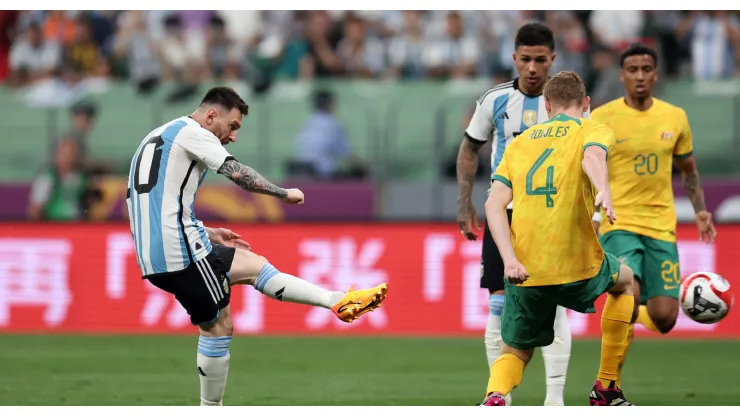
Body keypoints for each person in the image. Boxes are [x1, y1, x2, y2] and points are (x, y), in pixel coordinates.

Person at [126, 86, 388, 406]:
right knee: (218, 326)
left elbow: (153, 206)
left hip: (161, 249)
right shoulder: (195, 133)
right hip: (179, 253)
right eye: (232, 126)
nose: (233, 136)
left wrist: (207, 232)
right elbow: (237, 173)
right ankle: (211, 410)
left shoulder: (159, 135)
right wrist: (283, 193)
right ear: (211, 116)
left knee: (253, 265)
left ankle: (336, 300)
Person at [481, 71, 636, 406]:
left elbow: (494, 204)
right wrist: (603, 189)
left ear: (547, 105)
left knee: (517, 350)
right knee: (625, 281)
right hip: (576, 262)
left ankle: (494, 396)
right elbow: (592, 157)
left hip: (526, 267)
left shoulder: (520, 143)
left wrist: (509, 259)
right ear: (587, 103)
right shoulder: (593, 128)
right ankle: (606, 386)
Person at [456, 22, 584, 406]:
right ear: (514, 58)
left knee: (554, 301)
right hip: (505, 216)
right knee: (498, 300)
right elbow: (468, 149)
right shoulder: (494, 100)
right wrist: (465, 203)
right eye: (525, 59)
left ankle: (555, 400)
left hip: (553, 217)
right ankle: (500, 397)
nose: (532, 68)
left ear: (552, 60)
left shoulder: (566, 105)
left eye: (540, 60)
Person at [590, 43, 716, 389]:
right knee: (626, 294)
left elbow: (688, 169)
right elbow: (587, 168)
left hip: (662, 226)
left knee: (663, 319)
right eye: (633, 70)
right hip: (620, 223)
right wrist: (593, 214)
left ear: (656, 75)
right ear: (622, 75)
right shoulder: (602, 118)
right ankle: (607, 385)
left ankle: (632, 322)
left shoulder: (674, 117)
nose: (640, 77)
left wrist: (701, 210)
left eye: (647, 70)